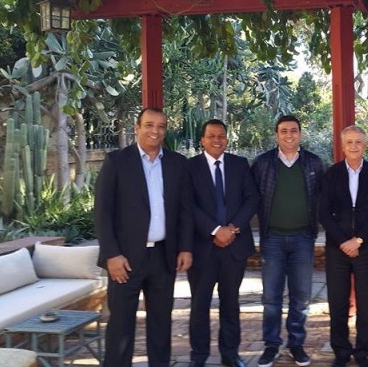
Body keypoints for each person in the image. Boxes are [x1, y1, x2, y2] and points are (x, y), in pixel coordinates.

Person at [94, 107, 193, 367]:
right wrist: (112, 255)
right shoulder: (117, 162)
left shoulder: (177, 163)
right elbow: (103, 212)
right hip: (125, 259)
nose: (155, 131)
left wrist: (185, 248)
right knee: (120, 325)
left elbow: (185, 210)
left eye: (161, 126)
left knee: (161, 322)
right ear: (137, 128)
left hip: (163, 256)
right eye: (149, 125)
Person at [251, 115, 325, 367]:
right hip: (272, 238)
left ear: (300, 134)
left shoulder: (314, 162)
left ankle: (296, 344)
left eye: (293, 130)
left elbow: (322, 197)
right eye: (284, 131)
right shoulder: (263, 163)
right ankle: (271, 345)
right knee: (271, 298)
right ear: (276, 135)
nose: (289, 135)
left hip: (303, 237)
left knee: (301, 297)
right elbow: (253, 197)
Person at [186, 119, 260, 367]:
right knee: (200, 305)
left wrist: (232, 229)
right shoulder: (190, 167)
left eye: (221, 136)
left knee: (230, 303)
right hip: (202, 248)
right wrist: (216, 230)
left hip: (234, 247)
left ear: (227, 139)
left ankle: (230, 354)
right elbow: (188, 205)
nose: (216, 140)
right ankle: (199, 356)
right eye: (211, 136)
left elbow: (252, 198)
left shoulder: (240, 164)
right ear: (202, 140)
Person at [319, 126, 368, 367]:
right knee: (337, 301)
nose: (354, 146)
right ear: (343, 146)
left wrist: (358, 240)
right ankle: (341, 351)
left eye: (358, 142)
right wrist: (343, 241)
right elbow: (323, 212)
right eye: (349, 142)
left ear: (365, 145)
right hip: (337, 248)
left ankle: (363, 351)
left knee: (366, 302)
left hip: (364, 247)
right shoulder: (332, 174)